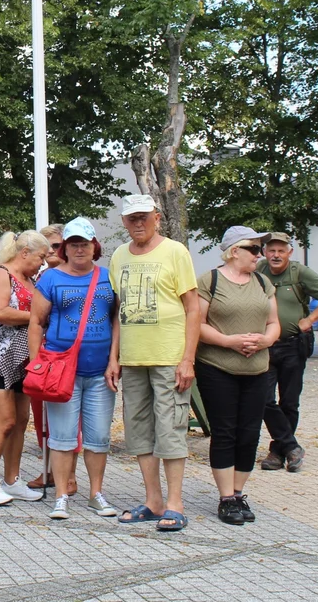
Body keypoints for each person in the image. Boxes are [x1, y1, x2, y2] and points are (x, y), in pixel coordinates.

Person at [107, 194, 200, 532]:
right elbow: (118, 310)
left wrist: (188, 358)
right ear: (124, 222)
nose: (139, 223)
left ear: (157, 218)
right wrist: (114, 357)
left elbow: (193, 307)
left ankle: (175, 503)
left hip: (168, 357)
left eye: (145, 217)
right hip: (133, 359)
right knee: (139, 431)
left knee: (171, 429)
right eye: (132, 218)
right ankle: (153, 500)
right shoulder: (118, 256)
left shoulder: (175, 252)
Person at [28, 218, 118, 520]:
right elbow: (36, 323)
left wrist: (115, 359)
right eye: (73, 244)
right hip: (60, 371)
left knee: (98, 438)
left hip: (100, 371)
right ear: (64, 248)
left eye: (85, 243)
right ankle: (61, 496)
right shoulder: (50, 279)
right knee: (63, 438)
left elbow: (116, 320)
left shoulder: (109, 277)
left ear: (95, 246)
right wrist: (35, 362)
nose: (80, 249)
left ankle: (96, 494)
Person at [195, 226, 280, 525]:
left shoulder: (263, 282)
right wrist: (230, 341)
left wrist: (266, 340)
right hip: (218, 368)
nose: (261, 255)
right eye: (255, 249)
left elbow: (274, 322)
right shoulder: (211, 280)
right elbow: (198, 324)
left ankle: (239, 492)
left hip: (257, 369)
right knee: (225, 431)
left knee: (250, 433)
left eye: (261, 250)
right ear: (234, 252)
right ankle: (225, 497)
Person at [0, 230, 49, 506]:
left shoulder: (30, 280)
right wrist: (37, 318)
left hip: (22, 358)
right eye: (41, 256)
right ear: (24, 252)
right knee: (4, 422)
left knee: (20, 421)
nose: (42, 263)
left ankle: (11, 480)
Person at [256, 232, 318, 472]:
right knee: (264, 399)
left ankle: (277, 452)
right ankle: (291, 446)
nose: (276, 255)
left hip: (293, 345)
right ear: (264, 252)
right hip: (266, 345)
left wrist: (310, 319)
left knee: (289, 402)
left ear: (289, 253)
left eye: (281, 250)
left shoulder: (299, 272)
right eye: (271, 250)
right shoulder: (258, 270)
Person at [28, 222, 67, 492]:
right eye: (46, 247)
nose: (50, 251)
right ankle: (49, 469)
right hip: (41, 354)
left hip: (64, 354)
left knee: (65, 418)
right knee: (42, 416)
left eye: (55, 246)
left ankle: (68, 474)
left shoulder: (73, 275)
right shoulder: (38, 278)